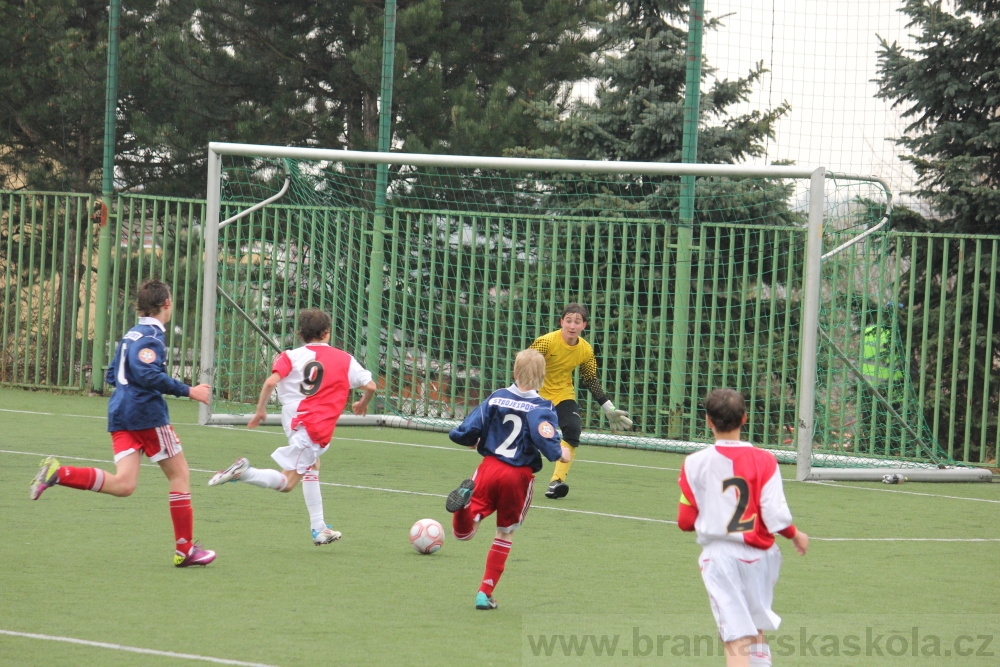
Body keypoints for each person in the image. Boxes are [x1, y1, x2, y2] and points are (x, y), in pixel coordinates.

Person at [29, 279, 216, 567]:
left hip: (120, 413)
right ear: (167, 304)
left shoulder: (132, 334)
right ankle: (186, 550)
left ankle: (59, 473)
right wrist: (189, 390)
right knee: (180, 475)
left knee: (124, 484)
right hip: (146, 416)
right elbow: (147, 375)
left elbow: (112, 375)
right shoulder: (151, 337)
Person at [208, 308, 377, 546]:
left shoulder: (289, 356)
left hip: (294, 418)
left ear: (301, 334)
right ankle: (244, 472)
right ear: (327, 332)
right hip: (314, 424)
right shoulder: (344, 359)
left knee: (313, 464)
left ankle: (319, 528)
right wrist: (362, 403)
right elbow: (371, 387)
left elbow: (270, 382)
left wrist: (260, 411)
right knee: (287, 484)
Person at [677, 388, 808, 667]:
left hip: (722, 557)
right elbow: (776, 515)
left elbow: (685, 521)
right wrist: (796, 535)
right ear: (745, 418)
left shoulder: (694, 463)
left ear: (708, 421)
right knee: (754, 625)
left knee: (735, 637)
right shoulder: (766, 460)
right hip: (762, 556)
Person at [445, 348, 571, 610]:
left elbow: (471, 427)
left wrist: (468, 440)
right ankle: (484, 592)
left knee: (464, 534)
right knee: (505, 532)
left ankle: (464, 509)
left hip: (489, 467)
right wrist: (561, 452)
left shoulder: (496, 397)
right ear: (543, 377)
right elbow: (543, 436)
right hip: (518, 475)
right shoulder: (542, 406)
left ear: (514, 372)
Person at [529, 303, 631, 499]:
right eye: (568, 321)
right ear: (561, 322)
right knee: (528, 434)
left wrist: (608, 407)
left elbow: (591, 379)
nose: (572, 326)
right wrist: (518, 395)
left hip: (563, 394)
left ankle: (556, 482)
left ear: (584, 325)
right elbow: (525, 365)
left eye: (577, 322)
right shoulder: (545, 342)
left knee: (573, 429)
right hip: (536, 394)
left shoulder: (585, 350)